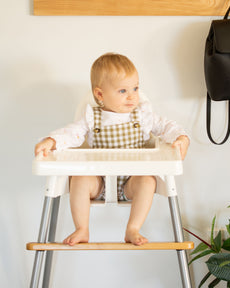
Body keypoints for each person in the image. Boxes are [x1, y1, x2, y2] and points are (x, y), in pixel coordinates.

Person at [34, 53, 190, 247]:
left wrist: (180, 138)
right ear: (100, 94)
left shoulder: (142, 115)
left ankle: (133, 228)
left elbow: (165, 126)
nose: (133, 96)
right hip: (98, 181)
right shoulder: (92, 117)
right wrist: (52, 141)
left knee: (148, 180)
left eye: (135, 88)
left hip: (132, 180)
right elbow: (71, 133)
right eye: (123, 90)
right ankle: (82, 228)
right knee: (79, 178)